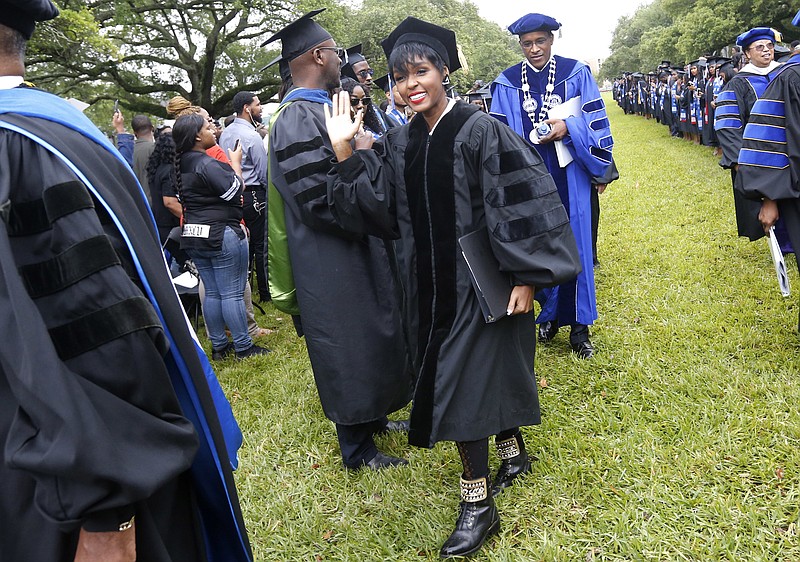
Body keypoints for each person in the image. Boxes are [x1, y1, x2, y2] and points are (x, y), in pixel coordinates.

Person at [0, 1, 252, 560]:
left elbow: (98, 333)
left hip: (61, 491)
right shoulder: (62, 133)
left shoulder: (14, 147)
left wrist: (106, 513)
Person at [324, 16, 581, 558]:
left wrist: (529, 278)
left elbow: (522, 204)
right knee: (481, 373)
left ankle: (477, 504)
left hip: (480, 283)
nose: (410, 84)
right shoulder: (400, 143)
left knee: (463, 385)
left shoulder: (480, 130)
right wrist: (345, 151)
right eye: (399, 77)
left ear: (444, 71)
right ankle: (512, 451)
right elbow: (372, 209)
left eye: (420, 71)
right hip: (429, 287)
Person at [263, 9, 413, 471]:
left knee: (372, 330)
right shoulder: (295, 119)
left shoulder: (321, 108)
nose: (340, 61)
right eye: (335, 53)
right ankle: (356, 447)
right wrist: (360, 157)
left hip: (354, 240)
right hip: (328, 252)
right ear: (317, 55)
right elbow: (317, 198)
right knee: (347, 340)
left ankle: (375, 417)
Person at [490, 13, 613, 359]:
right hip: (528, 177)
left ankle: (579, 328)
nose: (534, 49)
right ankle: (549, 315)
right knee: (536, 243)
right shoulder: (507, 82)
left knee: (576, 245)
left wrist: (568, 128)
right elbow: (499, 135)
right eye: (527, 43)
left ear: (551, 39)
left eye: (540, 41)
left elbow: (595, 121)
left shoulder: (576, 73)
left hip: (569, 173)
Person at [174, 113, 270, 360]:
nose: (213, 130)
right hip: (221, 233)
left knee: (214, 292)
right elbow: (235, 192)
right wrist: (235, 163)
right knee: (231, 292)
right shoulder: (206, 163)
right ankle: (243, 346)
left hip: (194, 234)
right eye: (208, 127)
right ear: (197, 135)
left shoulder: (180, 164)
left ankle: (219, 346)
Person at [737, 10, 800, 328]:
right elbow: (770, 139)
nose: (766, 50)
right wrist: (769, 197)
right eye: (757, 46)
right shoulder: (790, 78)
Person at [714, 27, 784, 243]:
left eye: (770, 46)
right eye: (759, 47)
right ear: (747, 54)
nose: (766, 51)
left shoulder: (785, 74)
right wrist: (740, 161)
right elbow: (728, 124)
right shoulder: (737, 83)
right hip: (758, 153)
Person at [218, 91, 271, 303]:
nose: (261, 109)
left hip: (232, 194)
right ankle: (266, 292)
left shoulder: (224, 134)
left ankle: (245, 291)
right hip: (254, 194)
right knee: (260, 245)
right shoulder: (252, 136)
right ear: (247, 108)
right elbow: (264, 171)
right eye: (258, 105)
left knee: (243, 244)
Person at [132, 114, 155, 204]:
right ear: (152, 128)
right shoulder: (156, 149)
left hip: (137, 204)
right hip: (155, 203)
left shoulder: (128, 152)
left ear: (135, 133)